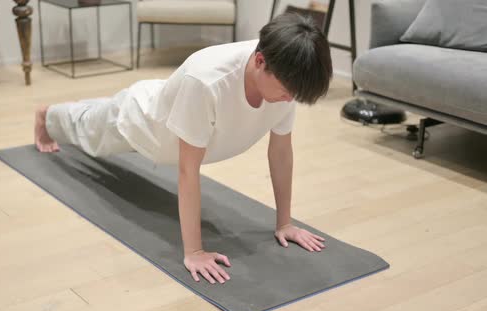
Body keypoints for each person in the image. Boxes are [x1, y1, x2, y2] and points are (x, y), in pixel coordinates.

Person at [34, 12, 333, 285]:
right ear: (259, 62)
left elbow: (281, 152)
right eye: (285, 92)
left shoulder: (287, 69)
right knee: (89, 129)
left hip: (174, 107)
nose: (289, 100)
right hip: (144, 124)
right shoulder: (207, 82)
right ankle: (46, 116)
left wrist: (285, 223)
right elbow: (188, 169)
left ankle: (78, 110)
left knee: (98, 114)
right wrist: (194, 251)